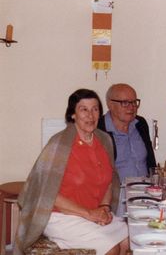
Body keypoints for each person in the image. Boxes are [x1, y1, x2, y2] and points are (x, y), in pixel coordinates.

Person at [14, 89, 128, 255]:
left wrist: (104, 207)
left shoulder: (104, 140)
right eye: (84, 109)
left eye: (95, 109)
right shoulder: (59, 145)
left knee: (128, 238)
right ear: (73, 114)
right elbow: (46, 193)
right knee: (111, 248)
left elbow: (109, 181)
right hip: (61, 217)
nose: (90, 115)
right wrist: (89, 214)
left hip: (92, 213)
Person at [98, 83, 156, 179]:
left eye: (134, 102)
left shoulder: (140, 124)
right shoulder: (99, 128)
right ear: (110, 105)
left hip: (146, 190)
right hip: (116, 191)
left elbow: (151, 163)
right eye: (125, 103)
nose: (132, 107)